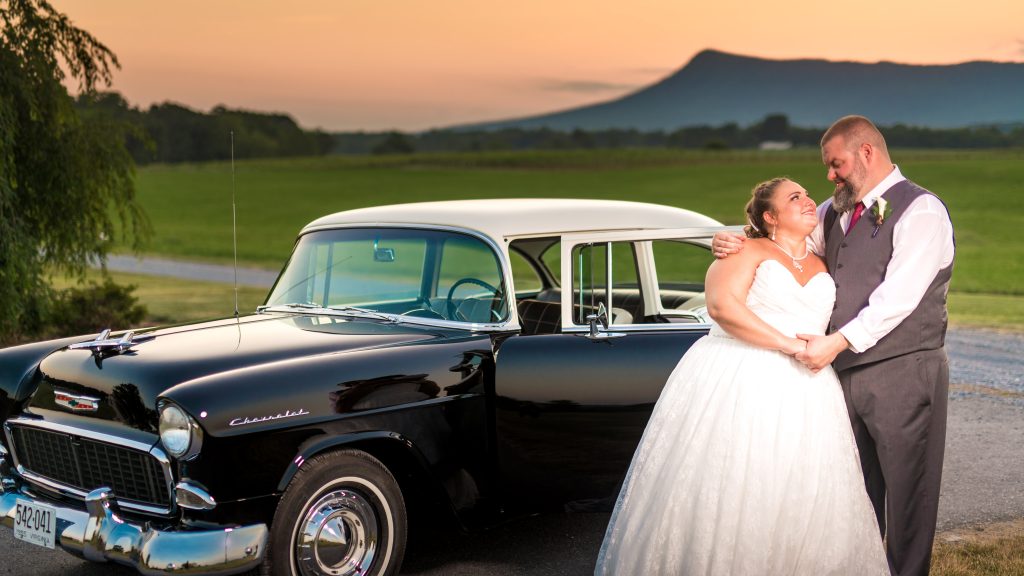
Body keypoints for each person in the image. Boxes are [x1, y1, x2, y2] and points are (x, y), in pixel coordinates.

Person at [595, 177, 888, 575]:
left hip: (810, 391)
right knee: (740, 480)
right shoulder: (743, 250)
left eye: (805, 193)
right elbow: (722, 309)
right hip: (742, 378)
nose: (808, 200)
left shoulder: (822, 257)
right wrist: (791, 346)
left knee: (804, 486)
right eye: (794, 197)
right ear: (770, 217)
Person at [712, 115, 955, 576]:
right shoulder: (831, 212)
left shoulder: (922, 211)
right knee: (851, 496)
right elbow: (787, 249)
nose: (830, 176)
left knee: (909, 495)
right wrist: (731, 240)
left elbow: (897, 298)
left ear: (867, 153)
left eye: (835, 164)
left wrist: (835, 342)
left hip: (904, 370)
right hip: (838, 376)